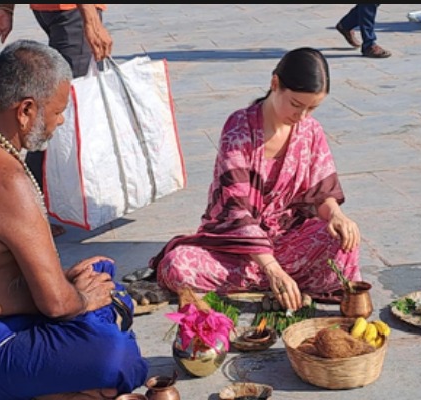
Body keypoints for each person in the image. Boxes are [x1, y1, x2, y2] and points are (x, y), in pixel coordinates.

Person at [0, 39, 148, 400]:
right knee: (116, 355)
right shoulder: (6, 179)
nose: (60, 121)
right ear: (26, 111)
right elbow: (56, 305)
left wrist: (70, 283)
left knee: (105, 282)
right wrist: (79, 298)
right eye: (57, 111)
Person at [148, 47, 362, 312]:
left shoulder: (311, 131)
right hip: (235, 245)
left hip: (288, 239)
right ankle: (282, 281)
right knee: (178, 265)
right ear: (275, 84)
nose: (302, 116)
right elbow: (235, 209)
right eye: (296, 104)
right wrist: (271, 267)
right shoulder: (239, 128)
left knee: (342, 239)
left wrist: (336, 215)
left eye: (312, 108)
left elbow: (321, 192)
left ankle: (272, 282)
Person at [0, 4, 113, 237]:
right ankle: (22, 209)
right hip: (72, 11)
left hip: (50, 10)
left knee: (53, 108)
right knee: (53, 113)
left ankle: (19, 198)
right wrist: (90, 19)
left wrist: (6, 8)